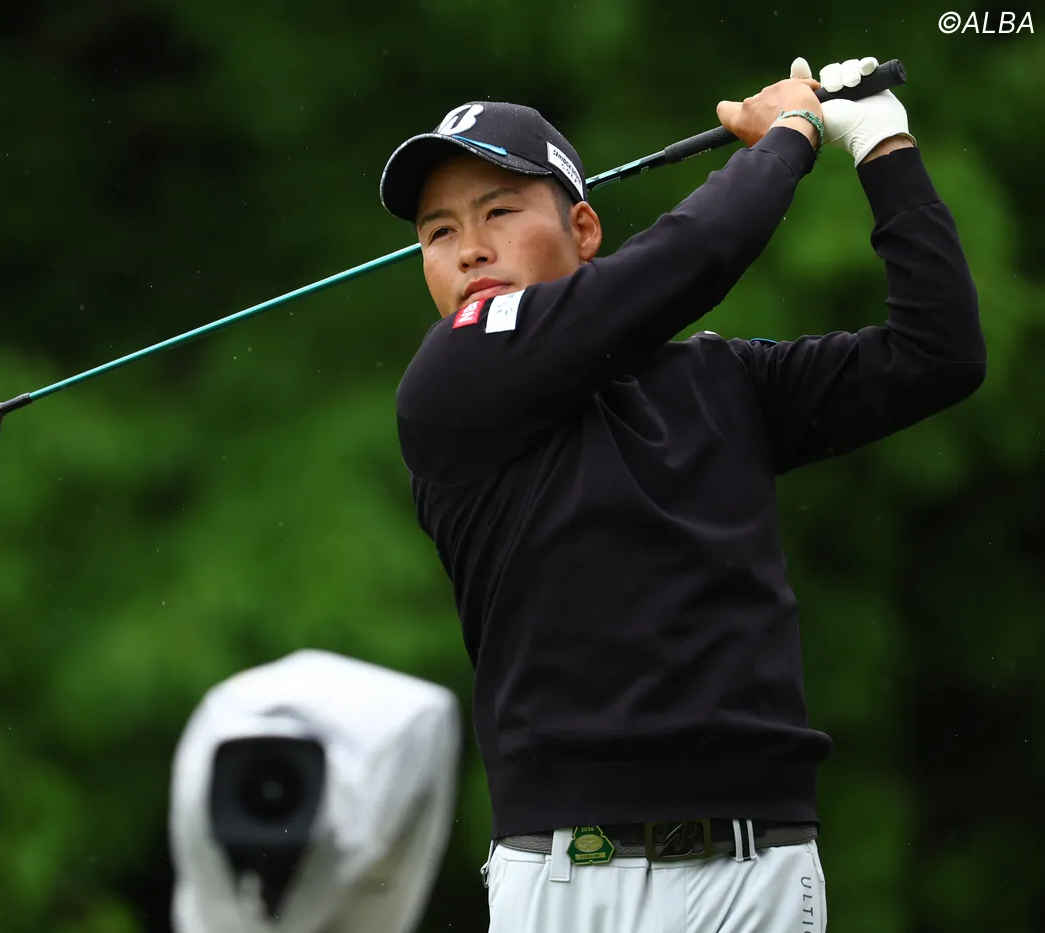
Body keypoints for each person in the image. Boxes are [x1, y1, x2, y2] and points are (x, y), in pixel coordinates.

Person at [376, 54, 986, 933]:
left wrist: (884, 147)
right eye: (439, 231)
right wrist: (788, 136)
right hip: (569, 876)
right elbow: (691, 257)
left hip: (760, 866)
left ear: (584, 229)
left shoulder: (722, 379)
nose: (470, 247)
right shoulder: (448, 388)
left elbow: (938, 354)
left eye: (499, 212)